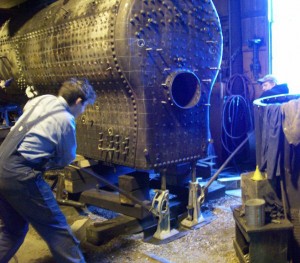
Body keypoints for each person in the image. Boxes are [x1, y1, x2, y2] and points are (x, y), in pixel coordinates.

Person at [0, 78, 96, 263]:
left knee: (13, 230)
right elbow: (66, 158)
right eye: (84, 107)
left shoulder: (43, 100)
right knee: (58, 230)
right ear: (78, 102)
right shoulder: (66, 120)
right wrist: (49, 163)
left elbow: (27, 113)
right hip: (19, 174)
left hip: (1, 162)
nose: (82, 112)